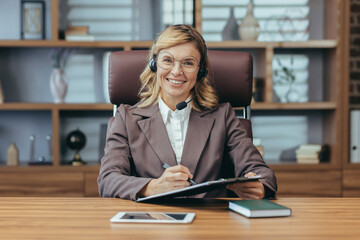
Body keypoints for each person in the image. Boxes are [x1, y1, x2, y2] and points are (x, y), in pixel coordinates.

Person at [98, 24, 277, 201]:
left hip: (211, 222)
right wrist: (152, 187)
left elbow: (263, 174)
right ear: (154, 64)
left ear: (200, 71)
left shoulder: (222, 116)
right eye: (167, 60)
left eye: (188, 63)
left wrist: (258, 186)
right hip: (150, 221)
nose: (176, 71)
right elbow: (108, 180)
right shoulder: (126, 118)